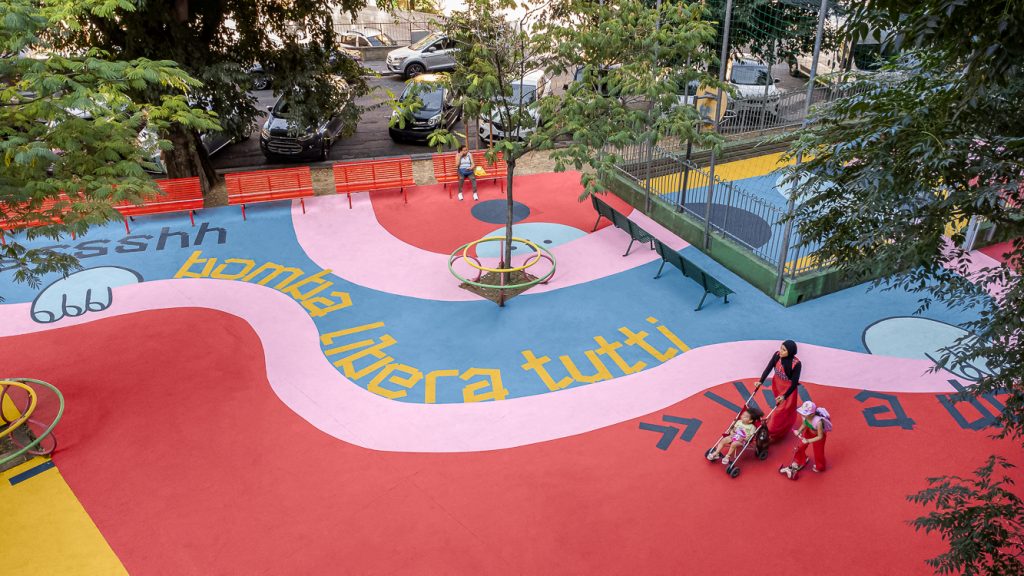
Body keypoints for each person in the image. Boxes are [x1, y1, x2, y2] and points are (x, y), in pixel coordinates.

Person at [759, 340, 802, 442]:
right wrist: (760, 381)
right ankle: (780, 427)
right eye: (781, 348)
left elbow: (794, 383)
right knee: (780, 408)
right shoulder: (777, 355)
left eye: (784, 350)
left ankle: (773, 432)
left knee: (779, 412)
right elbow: (769, 368)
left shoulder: (796, 364)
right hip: (777, 385)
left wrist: (784, 396)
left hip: (788, 391)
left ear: (790, 352)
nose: (781, 351)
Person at [780, 401, 831, 478]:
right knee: (800, 447)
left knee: (818, 453)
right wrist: (799, 431)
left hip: (818, 438)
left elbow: (820, 436)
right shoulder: (806, 417)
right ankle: (800, 460)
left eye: (805, 413)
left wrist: (808, 441)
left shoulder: (818, 422)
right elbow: (804, 424)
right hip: (808, 432)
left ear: (812, 414)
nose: (803, 414)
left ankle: (820, 467)